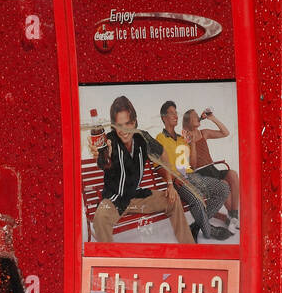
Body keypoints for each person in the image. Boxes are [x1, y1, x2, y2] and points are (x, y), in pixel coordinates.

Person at [91, 95, 193, 244]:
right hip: (114, 201)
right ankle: (111, 264)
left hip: (137, 197)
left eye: (127, 123)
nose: (124, 130)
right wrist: (100, 155)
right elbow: (103, 160)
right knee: (99, 220)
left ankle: (189, 251)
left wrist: (170, 184)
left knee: (173, 200)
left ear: (134, 122)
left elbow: (163, 154)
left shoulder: (142, 138)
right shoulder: (109, 140)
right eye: (119, 125)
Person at [155, 101, 232, 242]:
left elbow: (193, 164)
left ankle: (196, 226)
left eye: (176, 112)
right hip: (177, 180)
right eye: (172, 113)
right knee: (197, 199)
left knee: (224, 188)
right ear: (164, 117)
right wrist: (173, 180)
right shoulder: (160, 139)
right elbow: (159, 166)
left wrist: (192, 143)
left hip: (192, 176)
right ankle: (209, 230)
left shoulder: (181, 139)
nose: (176, 115)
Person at [181, 108, 240, 235]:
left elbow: (226, 133)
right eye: (194, 116)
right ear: (188, 122)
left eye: (198, 115)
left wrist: (212, 118)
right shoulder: (185, 139)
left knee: (233, 174)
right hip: (201, 173)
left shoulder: (204, 133)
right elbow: (193, 164)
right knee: (223, 183)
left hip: (213, 168)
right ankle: (232, 218)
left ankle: (234, 215)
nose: (198, 117)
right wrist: (192, 143)